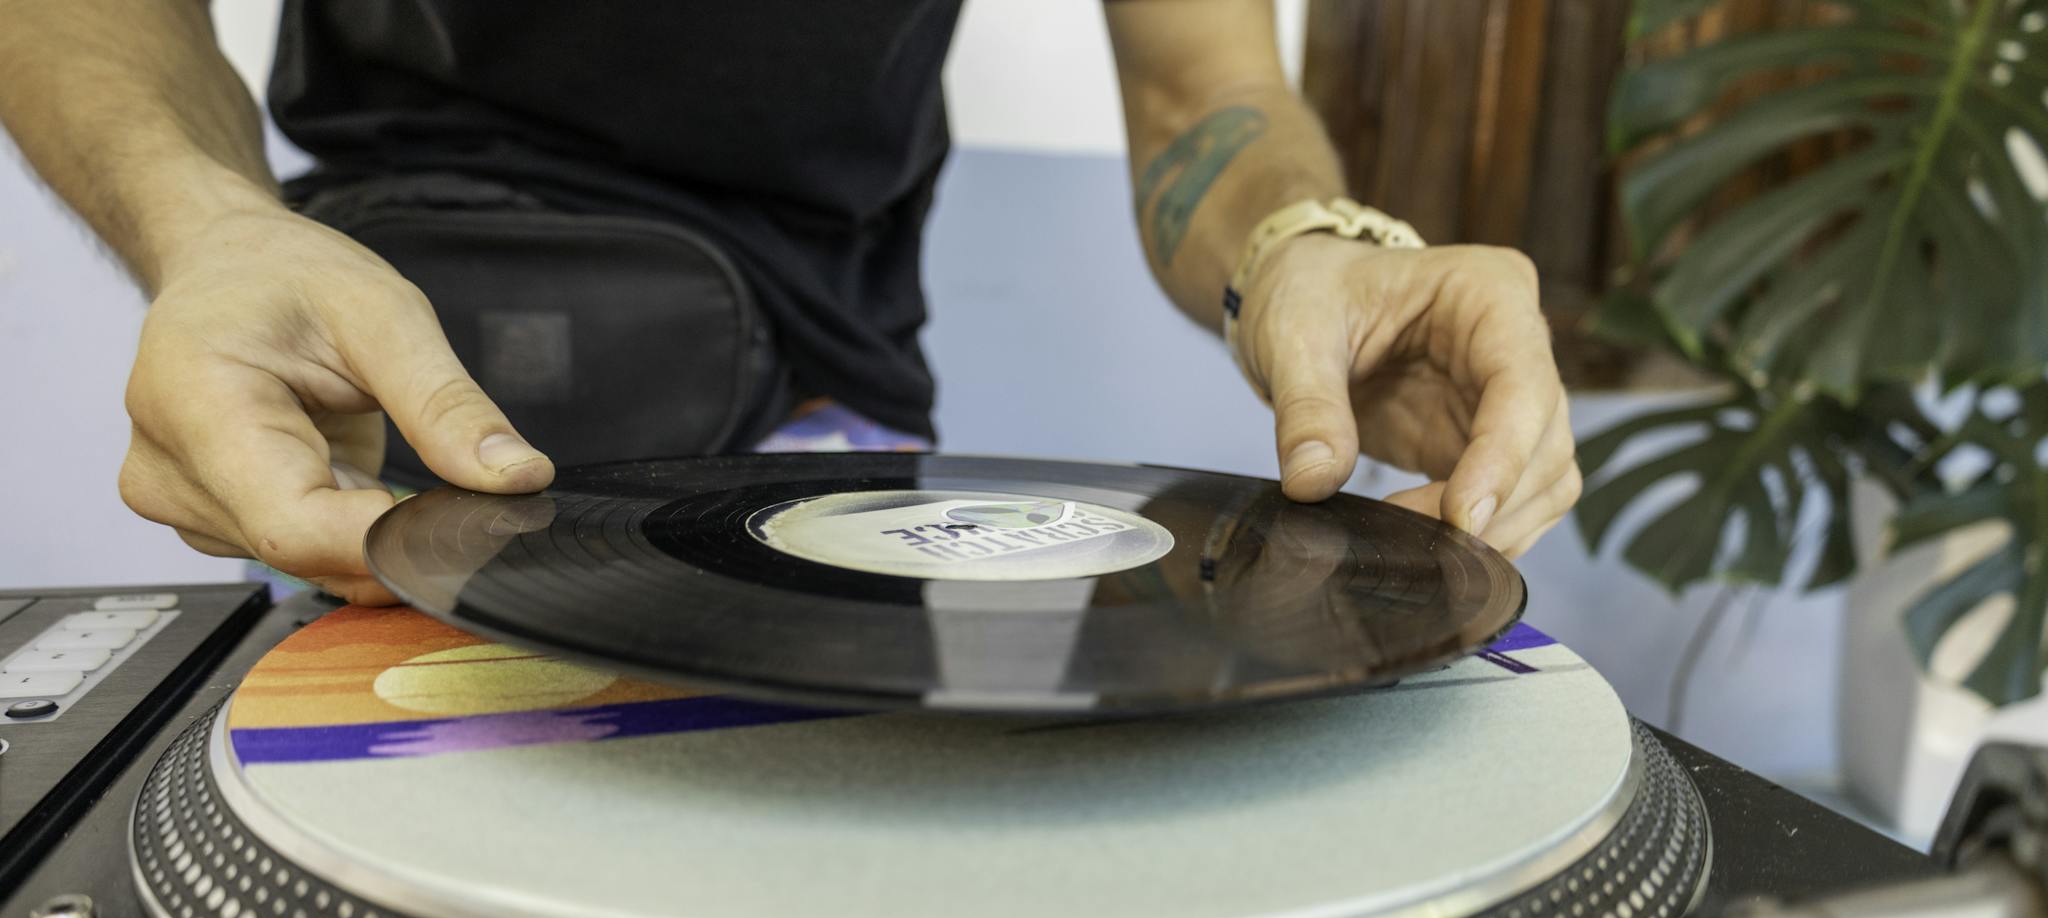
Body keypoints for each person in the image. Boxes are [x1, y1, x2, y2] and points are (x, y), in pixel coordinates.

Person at [0, 0, 1580, 605]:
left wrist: (1307, 244)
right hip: (368, 415)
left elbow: (1202, 87)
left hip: (841, 450)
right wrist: (206, 229)